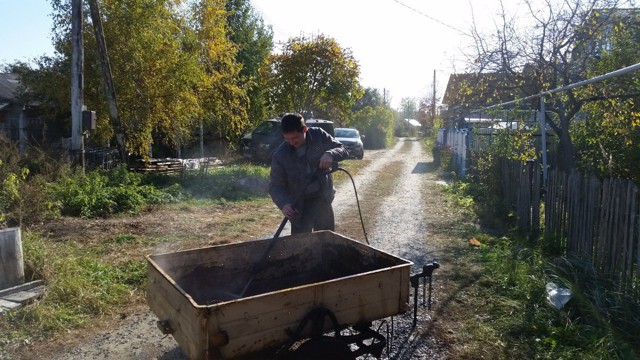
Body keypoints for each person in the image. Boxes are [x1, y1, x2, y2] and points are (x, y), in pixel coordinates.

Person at [269, 113, 348, 234]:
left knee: (327, 243)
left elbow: (342, 149)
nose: (291, 142)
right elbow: (275, 186)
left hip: (322, 201)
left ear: (305, 129)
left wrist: (330, 154)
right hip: (299, 207)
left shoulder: (319, 135)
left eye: (295, 138)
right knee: (300, 247)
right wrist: (284, 204)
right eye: (287, 139)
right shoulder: (280, 155)